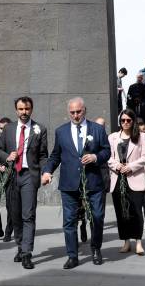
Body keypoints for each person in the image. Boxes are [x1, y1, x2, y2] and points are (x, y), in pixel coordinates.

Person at [41, 97, 110, 269]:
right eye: (72, 112)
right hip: (69, 183)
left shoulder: (97, 129)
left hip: (93, 181)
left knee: (97, 217)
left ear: (84, 110)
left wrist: (95, 157)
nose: (76, 115)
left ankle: (95, 249)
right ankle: (72, 255)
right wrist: (47, 171)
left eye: (78, 111)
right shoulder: (61, 131)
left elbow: (107, 151)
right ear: (68, 112)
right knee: (69, 221)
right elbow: (56, 155)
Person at [0, 97, 48, 270]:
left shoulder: (39, 129)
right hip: (12, 176)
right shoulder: (9, 129)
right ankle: (20, 246)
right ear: (16, 110)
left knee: (28, 215)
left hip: (29, 176)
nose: (24, 112)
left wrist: (46, 172)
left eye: (27, 109)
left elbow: (42, 155)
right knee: (15, 215)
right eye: (20, 109)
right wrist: (6, 156)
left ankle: (27, 253)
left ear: (31, 109)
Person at [108, 109, 145, 255]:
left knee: (137, 211)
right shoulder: (112, 137)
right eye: (122, 120)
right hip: (118, 178)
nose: (125, 123)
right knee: (121, 212)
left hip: (135, 178)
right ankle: (126, 241)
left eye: (128, 120)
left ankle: (138, 242)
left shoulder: (141, 136)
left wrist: (130, 167)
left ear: (133, 121)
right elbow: (108, 156)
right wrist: (117, 166)